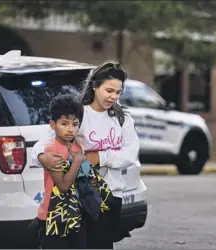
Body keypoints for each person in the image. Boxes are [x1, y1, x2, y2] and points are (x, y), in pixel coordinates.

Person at [32, 61, 140, 249]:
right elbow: (45, 142)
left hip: (113, 195)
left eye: (118, 92)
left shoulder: (122, 118)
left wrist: (100, 157)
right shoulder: (79, 114)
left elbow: (130, 153)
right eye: (109, 91)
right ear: (94, 85)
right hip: (84, 196)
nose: (113, 97)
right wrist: (41, 156)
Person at [37, 94, 87, 249]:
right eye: (64, 124)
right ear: (53, 125)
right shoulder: (52, 149)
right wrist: (77, 161)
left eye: (75, 124)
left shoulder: (77, 147)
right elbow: (63, 186)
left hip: (75, 215)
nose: (70, 129)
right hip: (53, 216)